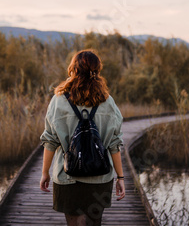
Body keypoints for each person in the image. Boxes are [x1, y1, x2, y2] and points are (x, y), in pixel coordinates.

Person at [40, 49, 126, 226]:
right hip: (100, 177)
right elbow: (114, 144)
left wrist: (44, 173)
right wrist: (121, 177)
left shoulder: (58, 100)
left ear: (73, 70)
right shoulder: (108, 102)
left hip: (67, 176)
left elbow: (50, 140)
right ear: (97, 71)